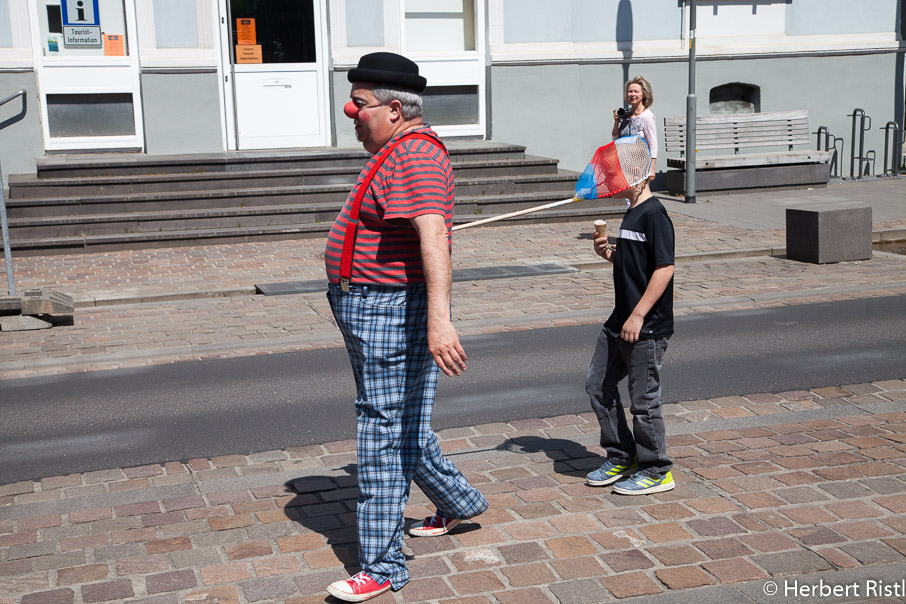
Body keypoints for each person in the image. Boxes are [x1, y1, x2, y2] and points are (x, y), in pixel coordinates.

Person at [323, 52, 488, 602]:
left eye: (360, 104)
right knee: (405, 425)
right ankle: (461, 504)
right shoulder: (397, 150)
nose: (351, 113)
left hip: (389, 310)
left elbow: (433, 240)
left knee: (380, 432)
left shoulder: (414, 156)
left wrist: (440, 322)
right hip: (373, 308)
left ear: (395, 108)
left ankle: (385, 565)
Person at [585, 142, 675, 496]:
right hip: (619, 319)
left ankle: (657, 468)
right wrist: (609, 254)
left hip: (646, 325)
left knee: (643, 400)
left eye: (617, 175)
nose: (613, 181)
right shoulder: (631, 212)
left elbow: (664, 268)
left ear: (636, 175)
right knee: (598, 385)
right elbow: (634, 264)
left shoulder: (655, 214)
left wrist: (638, 316)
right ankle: (622, 454)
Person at [612, 76, 658, 181]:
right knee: (627, 196)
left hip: (640, 165)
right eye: (630, 91)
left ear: (643, 94)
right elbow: (615, 139)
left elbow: (653, 143)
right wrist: (616, 123)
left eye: (636, 91)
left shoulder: (647, 116)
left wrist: (652, 168)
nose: (632, 94)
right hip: (624, 164)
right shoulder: (626, 114)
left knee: (638, 195)